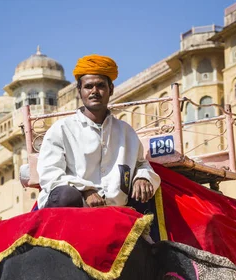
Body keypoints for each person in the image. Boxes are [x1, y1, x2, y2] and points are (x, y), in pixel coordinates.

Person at [36, 54, 160, 208]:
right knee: (66, 195)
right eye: (88, 86)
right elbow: (50, 173)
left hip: (115, 209)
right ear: (79, 91)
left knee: (148, 193)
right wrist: (85, 191)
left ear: (111, 89)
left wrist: (143, 177)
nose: (94, 91)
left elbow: (141, 164)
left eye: (101, 85)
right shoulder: (62, 129)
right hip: (74, 206)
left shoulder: (125, 132)